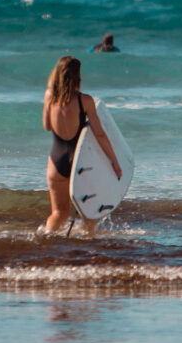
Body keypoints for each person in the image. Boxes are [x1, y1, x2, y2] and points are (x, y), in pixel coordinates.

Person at [41, 55, 122, 235]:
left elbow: (47, 126)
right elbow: (100, 134)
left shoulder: (49, 96)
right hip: (79, 163)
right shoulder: (85, 101)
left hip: (56, 161)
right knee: (89, 215)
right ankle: (85, 244)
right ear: (77, 76)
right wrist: (114, 161)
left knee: (59, 213)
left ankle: (46, 240)